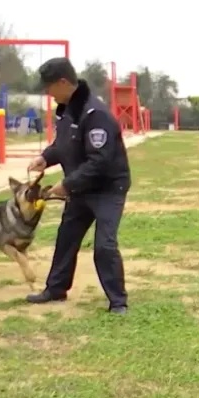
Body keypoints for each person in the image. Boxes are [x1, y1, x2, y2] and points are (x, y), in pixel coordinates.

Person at [25, 57, 132, 314]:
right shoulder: (68, 111)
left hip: (107, 189)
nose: (47, 93)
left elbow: (100, 161)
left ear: (63, 83)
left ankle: (118, 302)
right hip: (80, 189)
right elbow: (64, 145)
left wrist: (66, 185)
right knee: (66, 239)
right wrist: (46, 158)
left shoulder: (96, 115)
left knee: (104, 246)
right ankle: (56, 289)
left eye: (49, 87)